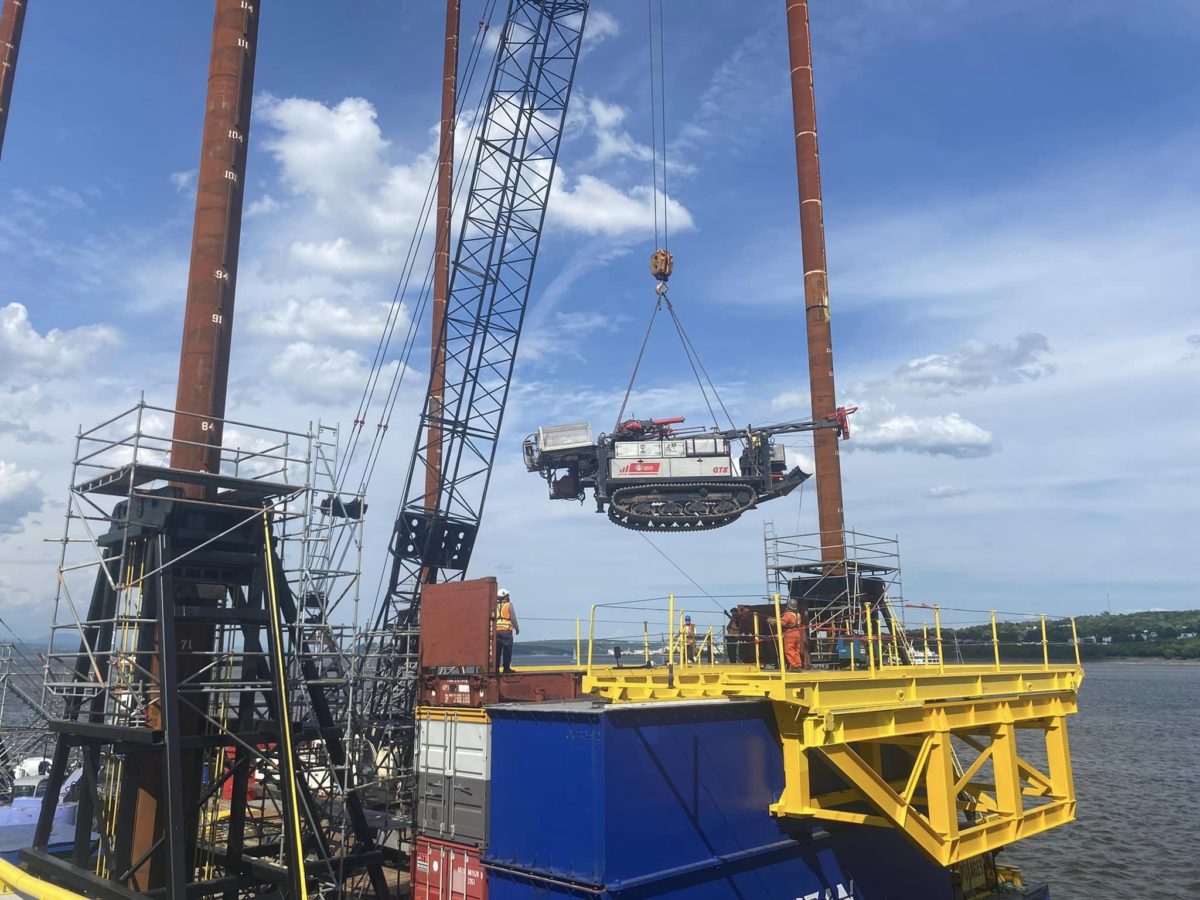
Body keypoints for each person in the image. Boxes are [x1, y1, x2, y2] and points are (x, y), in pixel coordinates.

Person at [495, 587, 519, 674]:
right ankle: (506, 668)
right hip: (506, 631)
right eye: (507, 595)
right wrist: (517, 628)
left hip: (496, 631)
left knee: (497, 651)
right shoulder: (509, 605)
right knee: (507, 651)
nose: (509, 596)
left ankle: (496, 669)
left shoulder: (494, 606)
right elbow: (513, 618)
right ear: (505, 596)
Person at [780, 599, 805, 670]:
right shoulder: (798, 615)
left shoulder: (788, 614)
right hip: (797, 633)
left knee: (789, 649)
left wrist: (774, 621)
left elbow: (783, 622)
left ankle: (794, 666)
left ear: (788, 606)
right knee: (796, 650)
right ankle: (798, 664)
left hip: (790, 633)